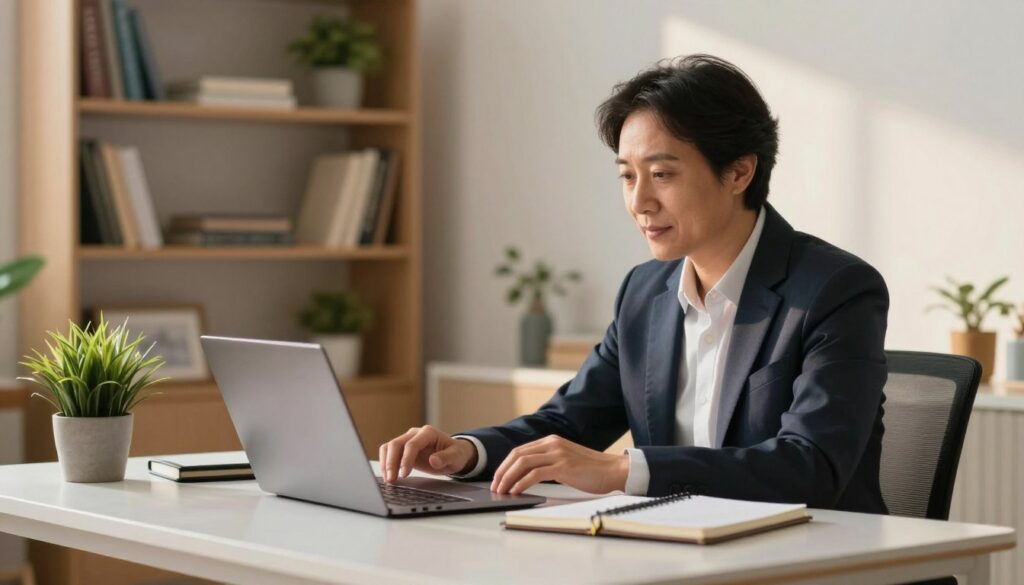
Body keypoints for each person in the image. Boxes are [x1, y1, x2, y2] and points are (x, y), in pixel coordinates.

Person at [380, 54, 889, 513]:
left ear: (739, 173)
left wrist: (626, 470)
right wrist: (467, 452)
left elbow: (811, 468)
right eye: (627, 176)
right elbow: (568, 422)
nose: (639, 202)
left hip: (815, 560)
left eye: (662, 175)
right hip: (685, 554)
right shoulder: (645, 293)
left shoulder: (835, 289)